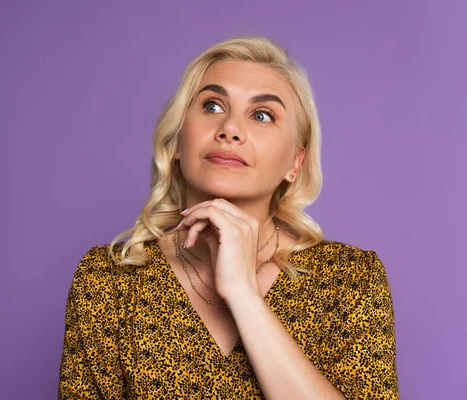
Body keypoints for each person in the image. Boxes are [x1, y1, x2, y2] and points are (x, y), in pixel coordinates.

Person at [58, 36, 399, 399]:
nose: (230, 129)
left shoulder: (349, 280)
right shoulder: (110, 279)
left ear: (295, 163)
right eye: (212, 106)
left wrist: (243, 294)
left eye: (262, 115)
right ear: (176, 141)